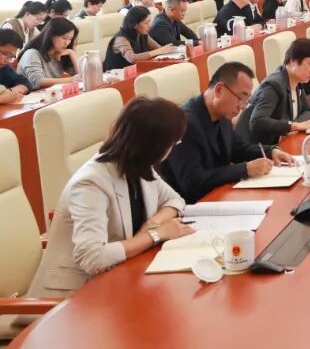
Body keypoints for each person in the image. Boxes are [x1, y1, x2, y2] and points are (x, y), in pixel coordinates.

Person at [18, 97, 193, 306]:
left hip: (119, 279)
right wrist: (155, 235)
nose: (173, 148)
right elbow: (93, 258)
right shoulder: (91, 182)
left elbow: (175, 200)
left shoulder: (138, 165)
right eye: (173, 143)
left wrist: (154, 222)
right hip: (72, 299)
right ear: (153, 146)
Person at [161, 62, 293, 203]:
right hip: (194, 205)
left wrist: (271, 151)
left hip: (220, 195)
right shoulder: (184, 124)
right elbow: (192, 183)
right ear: (219, 90)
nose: (243, 107)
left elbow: (238, 149)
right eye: (240, 98)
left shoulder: (222, 114)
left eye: (246, 100)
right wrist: (244, 169)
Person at [236, 39, 310, 145]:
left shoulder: (296, 82)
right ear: (293, 61)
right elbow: (257, 121)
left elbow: (308, 110)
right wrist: (292, 126)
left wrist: (291, 127)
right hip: (257, 148)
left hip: (280, 144)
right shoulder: (273, 85)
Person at [103, 6, 176, 71]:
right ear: (135, 25)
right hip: (116, 75)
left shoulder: (142, 33)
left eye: (149, 22)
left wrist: (169, 49)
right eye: (146, 23)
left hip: (135, 71)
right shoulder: (121, 38)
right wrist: (158, 51)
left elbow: (159, 48)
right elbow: (132, 58)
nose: (149, 26)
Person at [16, 17, 81, 89]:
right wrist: (71, 79)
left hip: (51, 93)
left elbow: (81, 76)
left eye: (70, 39)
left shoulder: (62, 54)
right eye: (64, 38)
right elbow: (37, 82)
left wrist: (71, 53)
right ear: (51, 35)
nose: (67, 43)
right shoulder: (32, 54)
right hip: (32, 95)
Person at [0, 29, 32, 105]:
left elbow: (25, 83)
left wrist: (11, 92)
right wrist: (3, 98)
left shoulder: (3, 68)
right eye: (5, 54)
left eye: (10, 56)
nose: (6, 60)